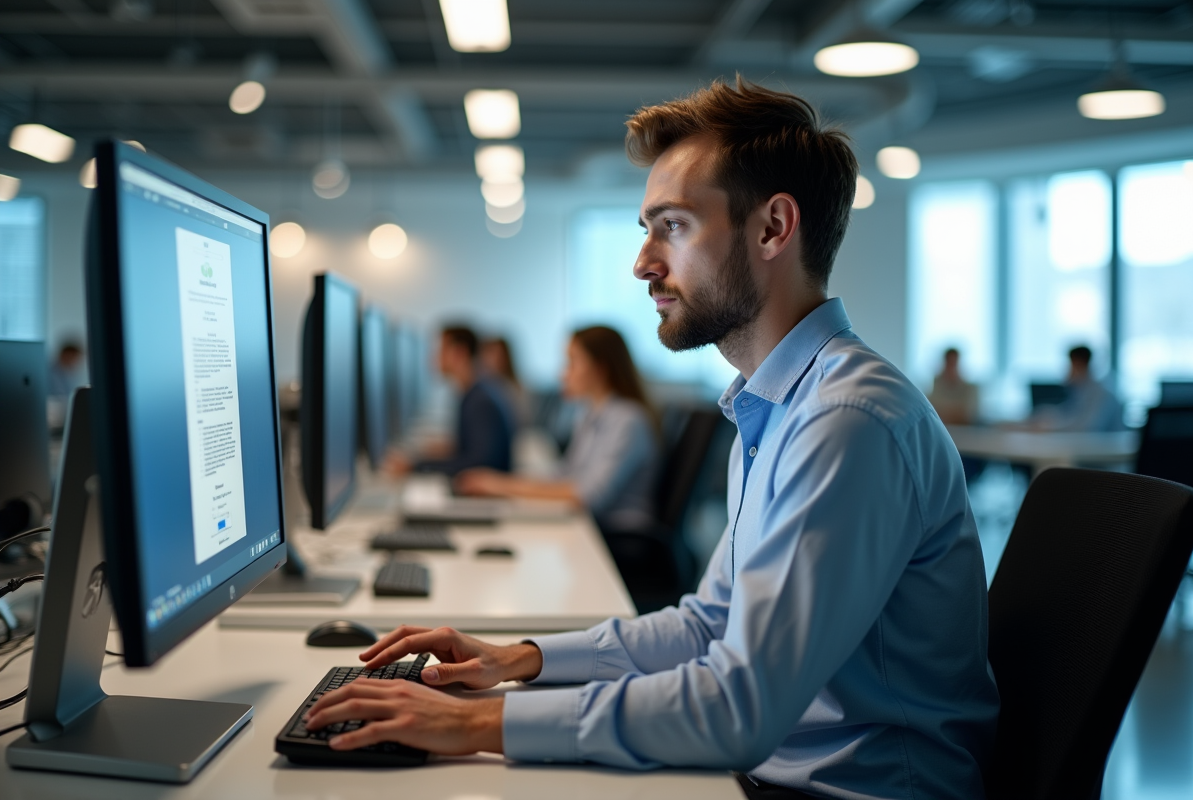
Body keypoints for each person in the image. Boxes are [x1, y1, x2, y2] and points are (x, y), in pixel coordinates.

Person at [304, 78, 999, 799]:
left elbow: (740, 708)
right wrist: (516, 660)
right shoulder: (780, 407)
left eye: (673, 226)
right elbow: (709, 627)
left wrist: (480, 723)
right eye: (646, 228)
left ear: (772, 229)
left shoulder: (846, 420)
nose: (643, 263)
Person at [456, 326, 657, 531]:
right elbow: (566, 475)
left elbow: (586, 497)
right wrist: (506, 482)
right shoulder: (589, 415)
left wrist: (502, 487)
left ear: (599, 368)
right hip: (590, 528)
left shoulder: (628, 421)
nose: (562, 374)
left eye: (572, 362)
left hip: (618, 538)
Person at [393, 325, 514, 476]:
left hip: (489, 495)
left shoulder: (480, 402)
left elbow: (478, 464)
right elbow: (470, 449)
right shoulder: (474, 393)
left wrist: (416, 466)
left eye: (440, 351)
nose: (434, 358)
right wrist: (431, 452)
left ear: (460, 353)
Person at [1030, 345, 1124, 432]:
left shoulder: (1100, 393)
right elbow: (1068, 413)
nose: (1067, 371)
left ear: (1078, 365)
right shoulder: (1082, 391)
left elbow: (1087, 427)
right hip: (1092, 445)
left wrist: (1051, 428)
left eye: (1070, 366)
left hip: (1107, 448)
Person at [479, 336, 531, 428]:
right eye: (490, 354)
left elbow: (522, 420)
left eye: (499, 354)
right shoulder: (480, 388)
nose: (494, 359)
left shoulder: (515, 387)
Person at [928, 347, 980, 426]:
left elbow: (968, 414)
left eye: (954, 363)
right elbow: (933, 410)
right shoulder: (937, 384)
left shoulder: (968, 388)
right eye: (949, 363)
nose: (951, 367)